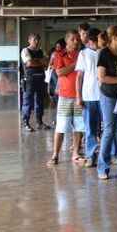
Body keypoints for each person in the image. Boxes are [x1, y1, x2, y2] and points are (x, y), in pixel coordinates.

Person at [47, 30, 85, 166]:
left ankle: (76, 153)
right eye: (73, 39)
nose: (76, 41)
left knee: (79, 126)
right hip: (65, 96)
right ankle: (55, 155)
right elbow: (60, 72)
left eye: (77, 39)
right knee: (61, 126)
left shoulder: (82, 54)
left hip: (79, 96)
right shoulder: (59, 54)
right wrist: (76, 64)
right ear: (67, 40)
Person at [96, 25, 117, 180]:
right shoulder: (104, 53)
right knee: (109, 130)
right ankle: (103, 167)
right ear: (114, 37)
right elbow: (102, 77)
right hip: (109, 96)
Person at [75, 27, 102, 168]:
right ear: (92, 40)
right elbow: (79, 77)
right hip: (89, 96)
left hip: (104, 96)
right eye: (99, 38)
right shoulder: (83, 54)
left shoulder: (103, 52)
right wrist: (78, 96)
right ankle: (91, 155)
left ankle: (110, 154)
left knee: (108, 128)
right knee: (90, 129)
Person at [20, 33, 50, 132]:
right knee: (27, 102)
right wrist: (40, 61)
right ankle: (26, 123)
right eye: (34, 40)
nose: (36, 42)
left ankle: (39, 122)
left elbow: (47, 63)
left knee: (40, 102)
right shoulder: (25, 50)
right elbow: (29, 63)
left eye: (38, 40)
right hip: (29, 80)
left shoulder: (41, 51)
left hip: (41, 79)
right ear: (29, 40)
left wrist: (36, 61)